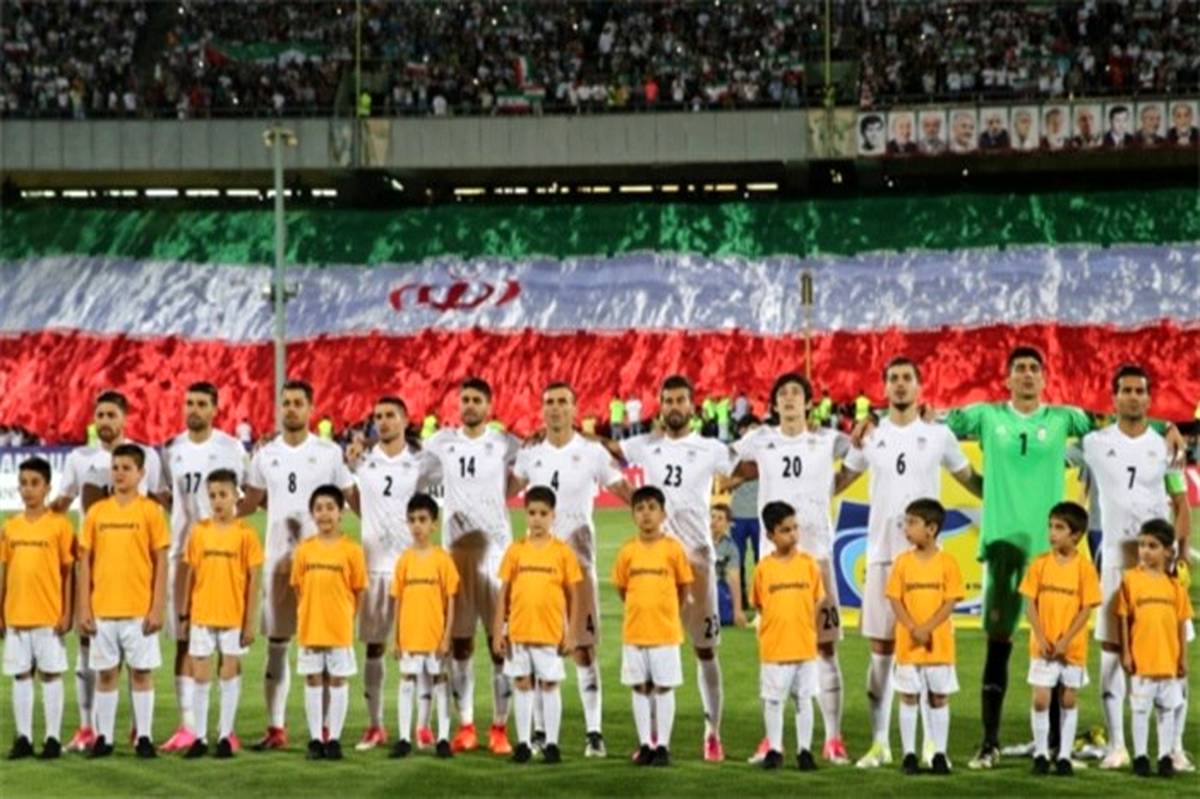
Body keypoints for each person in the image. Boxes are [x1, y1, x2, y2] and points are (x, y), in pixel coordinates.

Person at [840, 357, 980, 769]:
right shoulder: (870, 436)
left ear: (919, 386)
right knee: (881, 651)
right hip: (882, 554)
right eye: (894, 379)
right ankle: (880, 743)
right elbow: (842, 479)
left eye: (907, 378)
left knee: (927, 650)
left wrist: (1012, 496)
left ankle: (932, 746)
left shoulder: (938, 434)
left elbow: (970, 479)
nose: (900, 385)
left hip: (926, 562)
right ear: (884, 388)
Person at [730, 372, 855, 764]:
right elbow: (726, 459)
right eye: (782, 393)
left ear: (808, 402)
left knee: (826, 647)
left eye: (796, 393)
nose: (788, 398)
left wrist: (832, 486)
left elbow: (860, 453)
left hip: (817, 557)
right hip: (773, 563)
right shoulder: (760, 439)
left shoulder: (828, 440)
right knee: (774, 650)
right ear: (774, 404)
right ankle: (773, 741)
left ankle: (832, 738)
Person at [608, 375, 733, 761]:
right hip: (656, 561)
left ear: (692, 406)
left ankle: (713, 732)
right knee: (652, 648)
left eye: (681, 400)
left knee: (705, 651)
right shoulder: (645, 446)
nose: (674, 406)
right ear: (660, 406)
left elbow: (744, 464)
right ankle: (652, 739)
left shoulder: (710, 448)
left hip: (697, 561)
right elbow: (607, 451)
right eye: (668, 400)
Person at [511, 382, 631, 757]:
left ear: (575, 409)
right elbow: (503, 488)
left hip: (579, 565)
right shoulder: (530, 454)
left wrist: (656, 514)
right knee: (537, 648)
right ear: (542, 409)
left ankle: (594, 732)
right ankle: (539, 732)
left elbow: (623, 488)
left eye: (563, 402)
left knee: (583, 649)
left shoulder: (591, 452)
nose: (556, 408)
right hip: (538, 569)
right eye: (549, 402)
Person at [1081, 364, 1191, 771]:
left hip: (1161, 566)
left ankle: (1174, 747)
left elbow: (1180, 504)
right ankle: (1118, 745)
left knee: (1172, 651)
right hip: (1116, 561)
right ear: (1114, 397)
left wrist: (1181, 553)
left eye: (1140, 391)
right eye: (1125, 390)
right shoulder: (1094, 442)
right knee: (1112, 654)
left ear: (1149, 397)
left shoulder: (1166, 447)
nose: (1132, 397)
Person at [239, 379, 357, 751]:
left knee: (324, 646)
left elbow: (351, 497)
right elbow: (253, 500)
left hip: (322, 565)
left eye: (297, 403)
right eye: (285, 403)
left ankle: (326, 731)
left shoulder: (329, 453)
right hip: (278, 561)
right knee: (277, 644)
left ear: (310, 408)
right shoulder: (265, 454)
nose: (290, 409)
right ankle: (276, 728)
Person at [50, 390, 165, 753]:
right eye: (99, 414)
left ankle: (140, 732)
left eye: (111, 414)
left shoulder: (147, 467)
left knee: (139, 667)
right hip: (99, 582)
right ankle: (93, 730)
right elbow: (63, 504)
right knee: (95, 661)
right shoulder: (80, 463)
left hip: (136, 585)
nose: (104, 421)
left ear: (124, 418)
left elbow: (161, 509)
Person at [422, 377, 520, 754]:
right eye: (465, 399)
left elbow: (526, 473)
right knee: (460, 646)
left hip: (496, 558)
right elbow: (416, 472)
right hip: (456, 559)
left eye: (477, 399)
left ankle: (499, 727)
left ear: (489, 406)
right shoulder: (441, 443)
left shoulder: (505, 443)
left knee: (500, 647)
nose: (470, 405)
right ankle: (465, 726)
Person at [344, 396, 438, 752]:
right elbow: (354, 500)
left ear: (404, 419)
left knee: (420, 647)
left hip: (412, 568)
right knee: (374, 647)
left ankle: (423, 727)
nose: (382, 421)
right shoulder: (363, 462)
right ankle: (375, 726)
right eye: (378, 416)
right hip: (374, 567)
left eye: (390, 415)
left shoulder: (420, 463)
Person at [159, 382, 247, 754]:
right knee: (185, 639)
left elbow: (242, 498)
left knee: (228, 644)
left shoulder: (231, 448)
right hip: (182, 554)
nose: (193, 409)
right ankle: (189, 726)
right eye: (189, 403)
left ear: (215, 409)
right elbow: (164, 494)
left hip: (222, 557)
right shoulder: (171, 449)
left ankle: (226, 729)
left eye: (200, 404)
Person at [76, 444, 169, 758]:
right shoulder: (97, 513)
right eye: (115, 467)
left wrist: (157, 606)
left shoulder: (150, 511)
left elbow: (161, 561)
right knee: (106, 674)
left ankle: (144, 737)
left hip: (139, 610)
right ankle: (104, 738)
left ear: (141, 473)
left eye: (127, 468)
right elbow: (85, 563)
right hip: (103, 608)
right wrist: (84, 607)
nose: (119, 473)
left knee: (141, 673)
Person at [493, 486, 583, 765]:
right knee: (522, 684)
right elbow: (503, 594)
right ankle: (523, 743)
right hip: (519, 631)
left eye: (543, 513)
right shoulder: (515, 550)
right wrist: (498, 631)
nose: (537, 519)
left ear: (553, 515)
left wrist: (572, 632)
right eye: (532, 513)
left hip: (549, 632)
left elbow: (574, 596)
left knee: (550, 685)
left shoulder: (562, 552)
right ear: (525, 515)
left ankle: (551, 744)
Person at [178, 469, 262, 759]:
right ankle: (200, 738)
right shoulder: (199, 531)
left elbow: (254, 580)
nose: (217, 501)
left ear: (236, 496)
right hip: (202, 614)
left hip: (232, 616)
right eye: (212, 495)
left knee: (229, 672)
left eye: (223, 494)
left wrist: (250, 621)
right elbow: (191, 573)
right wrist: (185, 613)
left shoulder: (246, 534)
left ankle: (225, 735)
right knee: (201, 676)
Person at [613, 486, 693, 768]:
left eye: (651, 508)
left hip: (665, 632)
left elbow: (684, 585)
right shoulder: (627, 551)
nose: (646, 514)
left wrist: (669, 611)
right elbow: (622, 587)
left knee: (663, 688)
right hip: (635, 631)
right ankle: (646, 743)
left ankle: (663, 746)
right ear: (633, 515)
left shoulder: (673, 549)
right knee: (639, 688)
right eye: (640, 509)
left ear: (663, 514)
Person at [1019, 502, 1101, 776]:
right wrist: (1041, 637)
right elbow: (1030, 604)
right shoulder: (1040, 564)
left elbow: (1086, 609)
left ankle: (1064, 755)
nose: (1052, 533)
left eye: (1059, 528)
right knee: (1041, 700)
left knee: (1067, 700)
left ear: (1075, 535)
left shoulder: (1085, 569)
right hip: (1043, 647)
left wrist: (1066, 641)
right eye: (1050, 526)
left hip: (1071, 649)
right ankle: (1041, 753)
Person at [0, 457, 74, 760]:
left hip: (48, 615)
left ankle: (53, 738)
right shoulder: (10, 527)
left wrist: (67, 612)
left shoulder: (59, 526)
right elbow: (5, 571)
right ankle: (24, 738)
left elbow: (68, 572)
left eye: (34, 483)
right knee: (20, 675)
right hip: (16, 614)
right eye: (23, 483)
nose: (27, 489)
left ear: (47, 488)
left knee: (51, 675)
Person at [886, 498, 964, 776]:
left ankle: (939, 753)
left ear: (931, 529)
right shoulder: (902, 562)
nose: (906, 528)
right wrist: (912, 628)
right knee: (908, 696)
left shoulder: (948, 563)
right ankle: (909, 754)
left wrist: (928, 628)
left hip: (938, 645)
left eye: (912, 523)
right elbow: (895, 599)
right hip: (909, 645)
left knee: (938, 697)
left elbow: (950, 601)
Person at [290, 485, 366, 761]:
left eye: (330, 508)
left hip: (339, 626)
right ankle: (315, 739)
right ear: (312, 514)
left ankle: (333, 738)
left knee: (337, 679)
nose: (324, 514)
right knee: (312, 679)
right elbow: (297, 586)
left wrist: (347, 617)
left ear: (340, 512)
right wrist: (308, 611)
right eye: (319, 509)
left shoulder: (352, 550)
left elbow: (358, 589)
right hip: (311, 625)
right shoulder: (304, 550)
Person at [752, 501, 825, 771]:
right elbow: (759, 603)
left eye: (795, 528)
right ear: (770, 535)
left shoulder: (808, 565)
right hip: (775, 646)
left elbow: (818, 598)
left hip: (804, 645)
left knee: (804, 699)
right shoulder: (764, 568)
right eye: (785, 530)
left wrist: (804, 624)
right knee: (774, 700)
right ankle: (774, 749)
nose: (793, 534)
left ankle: (804, 751)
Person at [1117, 519, 1192, 778]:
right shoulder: (1131, 580)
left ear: (1168, 551)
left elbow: (1181, 624)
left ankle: (1164, 756)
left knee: (1166, 710)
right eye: (1141, 545)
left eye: (1152, 546)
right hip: (1142, 659)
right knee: (1140, 709)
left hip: (1168, 660)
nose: (1145, 551)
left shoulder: (1175, 586)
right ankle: (1140, 756)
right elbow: (1123, 618)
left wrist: (1183, 658)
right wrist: (1126, 652)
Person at [389, 493, 459, 760]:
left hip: (434, 636)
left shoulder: (443, 560)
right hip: (410, 636)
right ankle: (404, 738)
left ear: (434, 524)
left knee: (440, 680)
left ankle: (443, 738)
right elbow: (398, 601)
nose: (417, 525)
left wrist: (446, 636)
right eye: (412, 520)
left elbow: (451, 601)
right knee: (407, 680)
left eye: (422, 519)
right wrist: (396, 638)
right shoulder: (404, 560)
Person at [729, 416, 762, 602]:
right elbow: (724, 484)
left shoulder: (768, 452)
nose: (753, 434)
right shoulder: (734, 454)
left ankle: (760, 596)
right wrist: (745, 476)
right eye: (750, 429)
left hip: (760, 515)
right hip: (738, 514)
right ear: (741, 431)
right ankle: (739, 597)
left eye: (757, 429)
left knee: (761, 559)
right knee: (737, 558)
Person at [710, 504, 746, 628]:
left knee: (726, 618)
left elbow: (734, 579)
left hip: (718, 587)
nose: (714, 521)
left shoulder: (731, 548)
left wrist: (738, 611)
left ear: (727, 524)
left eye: (720, 518)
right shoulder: (698, 541)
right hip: (699, 587)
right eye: (712, 516)